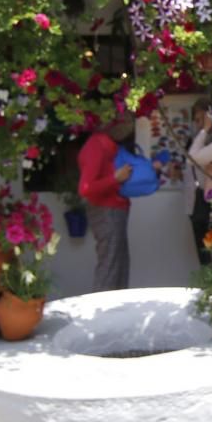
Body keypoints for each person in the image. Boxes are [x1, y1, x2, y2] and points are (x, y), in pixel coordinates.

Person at [77, 115, 136, 292]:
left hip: (115, 211)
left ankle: (117, 313)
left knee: (119, 265)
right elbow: (86, 188)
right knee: (110, 266)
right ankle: (101, 315)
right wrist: (115, 178)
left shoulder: (109, 145)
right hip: (105, 211)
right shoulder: (97, 145)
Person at [183, 98, 212, 266]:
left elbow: (192, 159)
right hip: (197, 203)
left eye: (202, 119)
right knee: (205, 252)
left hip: (211, 202)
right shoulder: (195, 140)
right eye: (196, 120)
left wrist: (206, 130)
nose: (199, 124)